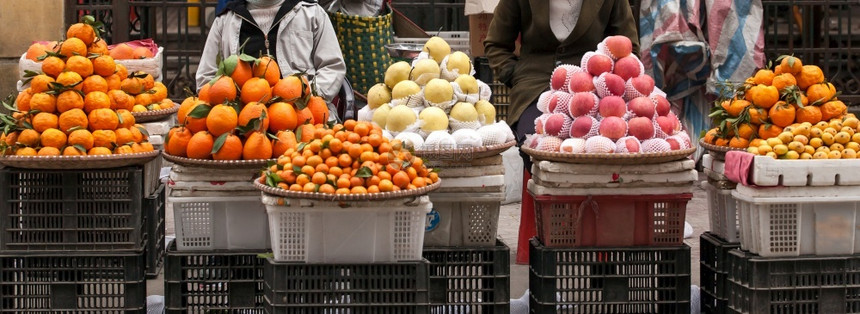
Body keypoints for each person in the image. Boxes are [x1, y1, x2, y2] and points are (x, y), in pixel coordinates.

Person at [484, 0, 640, 264]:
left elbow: (628, 45)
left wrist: (605, 77)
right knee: (536, 147)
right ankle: (553, 237)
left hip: (593, 86)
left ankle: (599, 241)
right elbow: (496, 44)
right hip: (536, 83)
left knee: (607, 151)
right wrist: (514, 74)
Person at [196, 0, 346, 105]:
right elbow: (206, 78)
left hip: (306, 118)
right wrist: (229, 105)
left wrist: (305, 96)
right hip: (240, 126)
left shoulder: (311, 14)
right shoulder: (225, 21)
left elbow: (332, 67)